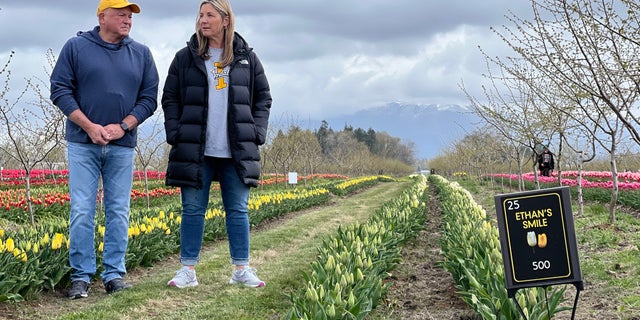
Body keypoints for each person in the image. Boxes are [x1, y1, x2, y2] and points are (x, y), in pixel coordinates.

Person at [50, 0, 159, 299]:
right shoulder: (76, 48)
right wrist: (89, 126)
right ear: (102, 16)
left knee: (119, 212)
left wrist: (123, 126)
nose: (127, 20)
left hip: (122, 145)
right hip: (83, 144)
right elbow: (59, 89)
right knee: (82, 210)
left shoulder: (142, 54)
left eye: (130, 16)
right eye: (120, 15)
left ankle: (113, 275)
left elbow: (149, 99)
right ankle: (81, 277)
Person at [162, 0, 272, 289]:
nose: (203, 20)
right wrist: (175, 132)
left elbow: (263, 97)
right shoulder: (185, 58)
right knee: (192, 210)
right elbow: (170, 97)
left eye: (210, 15)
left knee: (237, 210)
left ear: (226, 20)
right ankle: (187, 270)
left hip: (235, 150)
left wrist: (256, 132)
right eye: (200, 15)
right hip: (196, 149)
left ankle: (241, 269)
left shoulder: (246, 57)